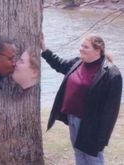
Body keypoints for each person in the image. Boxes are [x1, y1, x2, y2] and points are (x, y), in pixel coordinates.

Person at [40, 33, 122, 165]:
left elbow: (111, 110)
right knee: (79, 154)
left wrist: (102, 137)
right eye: (81, 45)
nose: (81, 49)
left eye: (86, 47)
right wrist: (44, 48)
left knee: (92, 158)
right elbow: (59, 64)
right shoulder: (78, 62)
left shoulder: (111, 74)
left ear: (98, 50)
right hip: (73, 118)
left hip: (91, 124)